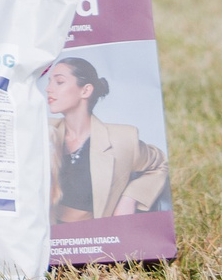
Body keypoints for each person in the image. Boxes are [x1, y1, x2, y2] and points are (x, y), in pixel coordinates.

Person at [46, 57, 169, 221]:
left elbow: (161, 164)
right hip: (46, 236)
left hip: (97, 239)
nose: (48, 89)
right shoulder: (42, 130)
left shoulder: (123, 139)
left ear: (85, 91)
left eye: (59, 82)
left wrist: (130, 198)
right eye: (49, 82)